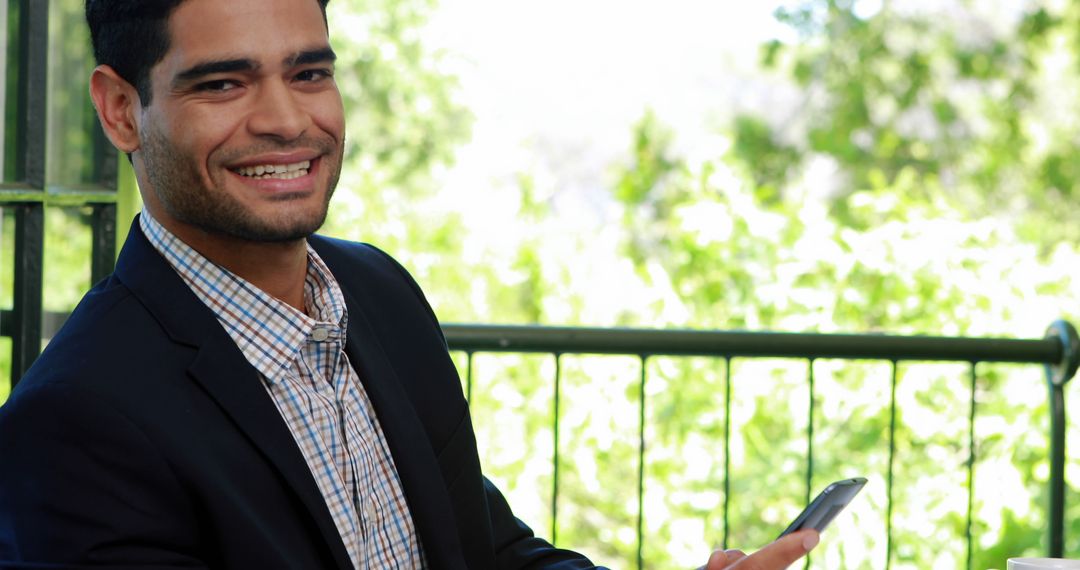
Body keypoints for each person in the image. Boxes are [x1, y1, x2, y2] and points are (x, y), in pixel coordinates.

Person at [0, 0, 820, 568]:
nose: (288, 119)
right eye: (224, 83)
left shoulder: (380, 293)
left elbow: (486, 552)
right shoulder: (74, 424)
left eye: (311, 73)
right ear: (118, 109)